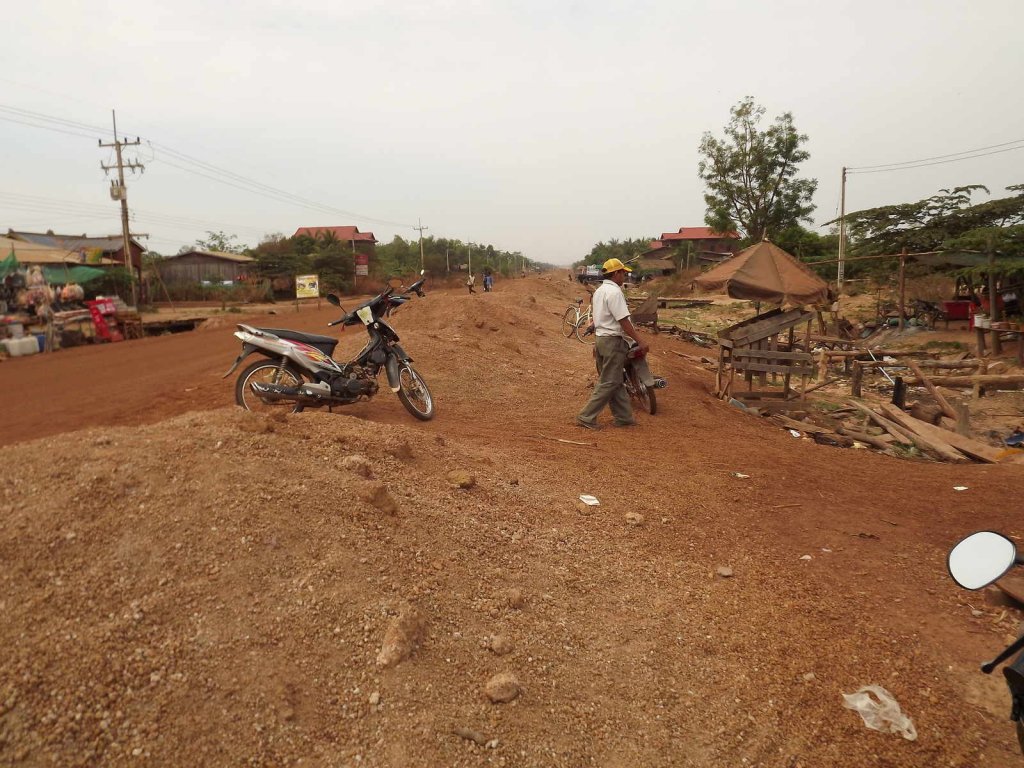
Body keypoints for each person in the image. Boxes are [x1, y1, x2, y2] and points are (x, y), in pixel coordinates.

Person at [576, 258, 649, 430]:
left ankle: (624, 417)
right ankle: (586, 416)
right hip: (612, 342)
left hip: (601, 340)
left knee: (615, 381)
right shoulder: (615, 293)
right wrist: (640, 341)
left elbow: (598, 317)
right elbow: (623, 320)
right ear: (615, 274)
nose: (625, 275)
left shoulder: (600, 291)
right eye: (623, 272)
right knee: (609, 381)